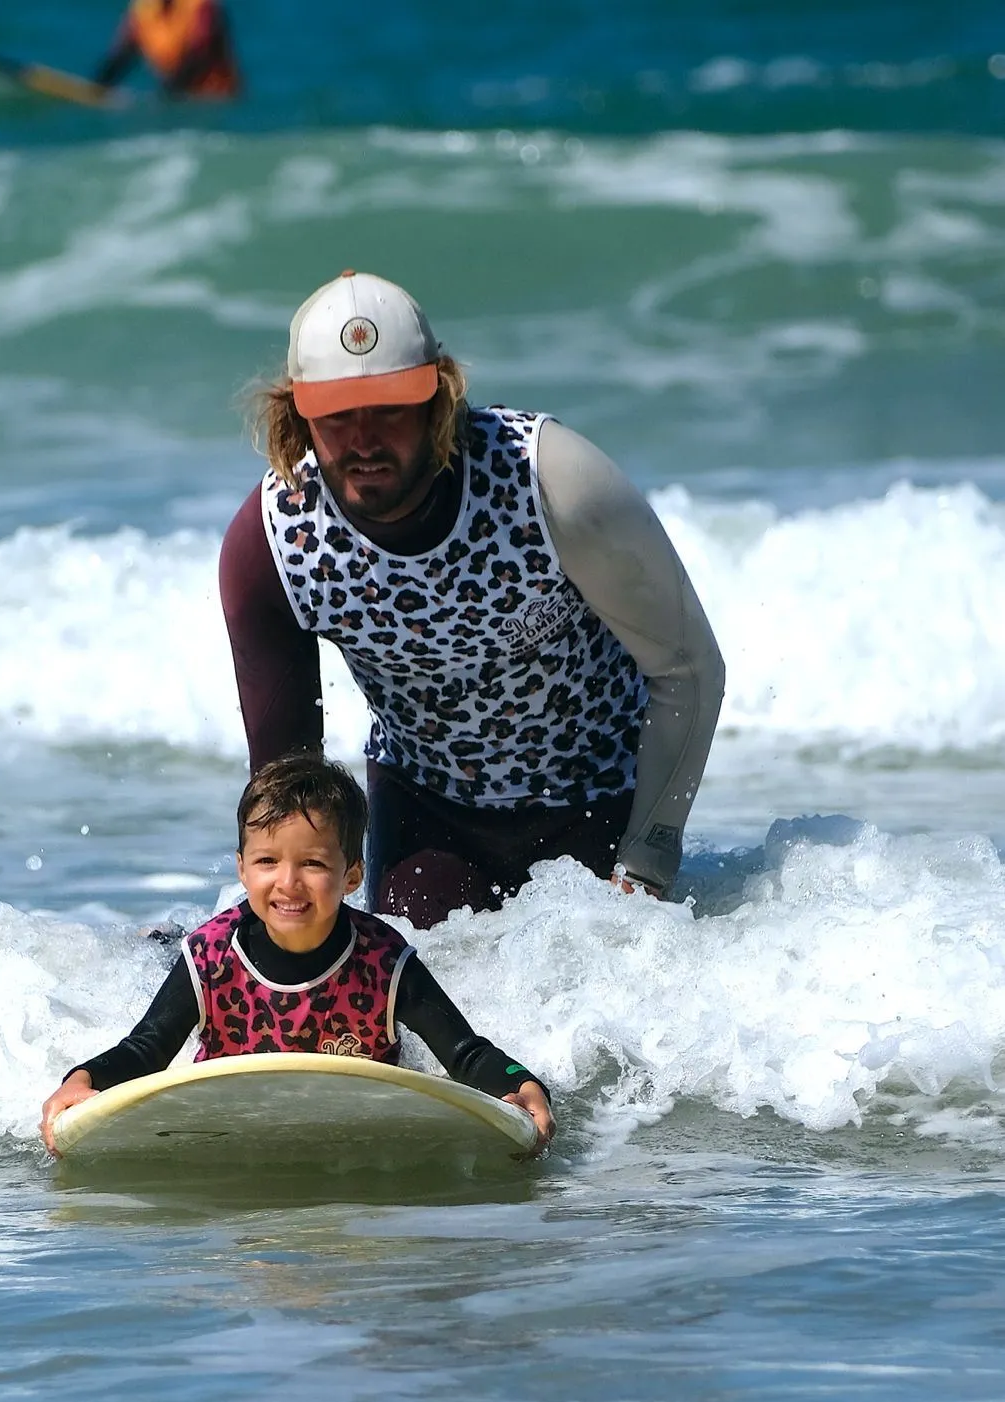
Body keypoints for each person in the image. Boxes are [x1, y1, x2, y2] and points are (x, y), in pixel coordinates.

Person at [219, 270, 726, 929]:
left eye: (391, 409)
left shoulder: (547, 479)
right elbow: (289, 786)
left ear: (439, 401)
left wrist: (646, 860)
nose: (365, 440)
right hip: (428, 813)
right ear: (297, 416)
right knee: (418, 989)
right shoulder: (275, 543)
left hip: (598, 793)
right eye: (339, 415)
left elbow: (686, 668)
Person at [40, 754, 554, 1155]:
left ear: (352, 875)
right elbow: (145, 1050)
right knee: (168, 952)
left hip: (348, 1126)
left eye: (312, 862)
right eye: (267, 861)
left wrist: (523, 1085)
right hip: (232, 1127)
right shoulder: (209, 957)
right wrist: (81, 1081)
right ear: (242, 869)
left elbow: (465, 1053)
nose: (287, 883)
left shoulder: (386, 963)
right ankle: (155, 938)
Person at [94, 0, 241, 99]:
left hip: (215, 98)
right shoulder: (143, 11)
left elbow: (200, 53)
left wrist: (168, 93)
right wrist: (99, 86)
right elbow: (123, 55)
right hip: (177, 96)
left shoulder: (202, 6)